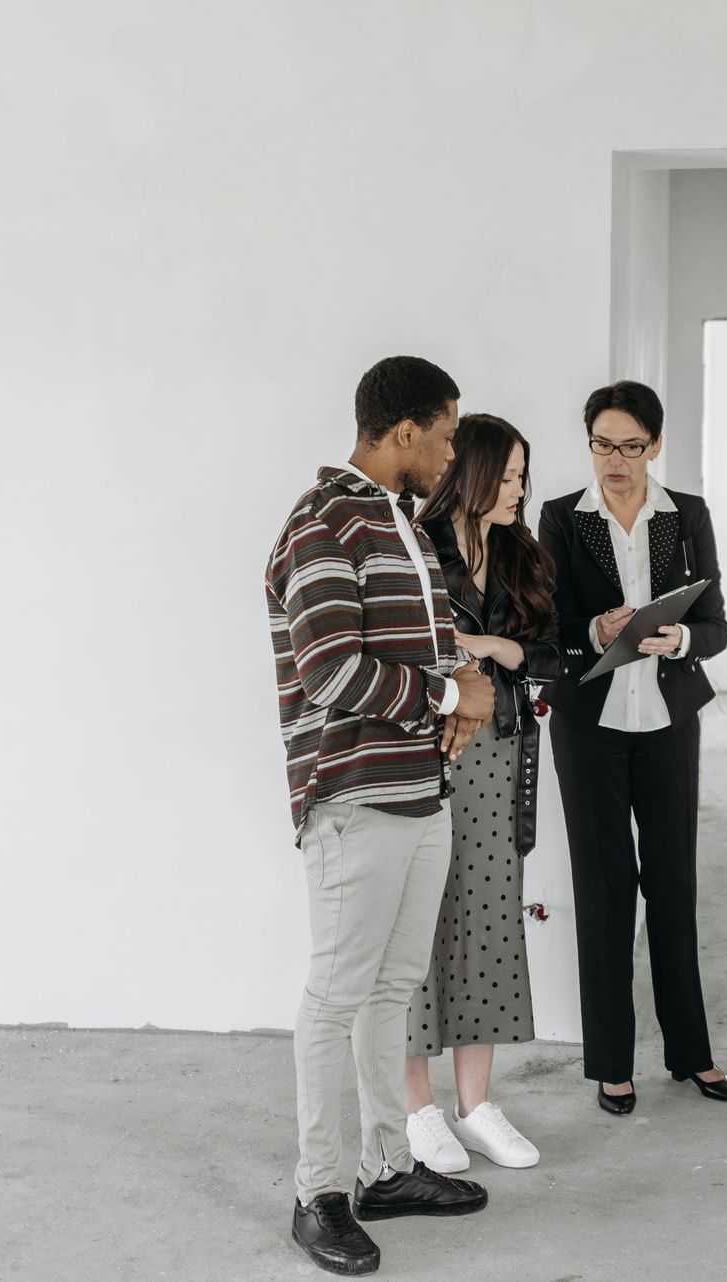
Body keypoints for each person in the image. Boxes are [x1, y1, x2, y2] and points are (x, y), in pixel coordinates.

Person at [265, 355, 496, 1277]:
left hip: (418, 797)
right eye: (445, 433)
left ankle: (384, 1169)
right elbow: (331, 672)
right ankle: (318, 1194)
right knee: (336, 997)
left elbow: (431, 654)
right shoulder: (322, 525)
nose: (451, 452)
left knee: (391, 992)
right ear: (403, 430)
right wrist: (451, 698)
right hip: (354, 799)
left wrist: (464, 684)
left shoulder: (399, 522)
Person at [536, 379, 727, 1116]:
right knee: (604, 893)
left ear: (654, 445)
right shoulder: (560, 518)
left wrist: (678, 636)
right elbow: (545, 622)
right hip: (588, 727)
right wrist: (592, 631)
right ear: (589, 444)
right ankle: (613, 1066)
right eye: (601, 445)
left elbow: (715, 623)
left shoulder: (686, 516)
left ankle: (692, 1054)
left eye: (629, 446)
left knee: (672, 887)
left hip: (667, 723)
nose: (614, 461)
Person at [401, 414, 560, 1173]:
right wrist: (476, 661)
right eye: (506, 475)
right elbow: (407, 648)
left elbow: (553, 656)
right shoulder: (415, 546)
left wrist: (500, 647)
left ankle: (476, 1106)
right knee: (417, 933)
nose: (518, 489)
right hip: (426, 753)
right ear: (470, 473)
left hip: (499, 759)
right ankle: (419, 1113)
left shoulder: (521, 553)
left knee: (489, 922)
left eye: (523, 476)